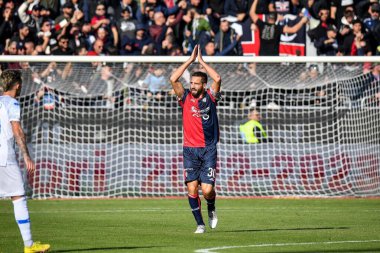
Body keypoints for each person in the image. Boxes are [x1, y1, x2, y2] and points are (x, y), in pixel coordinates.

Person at [169, 45, 221, 234]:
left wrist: (202, 62)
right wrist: (190, 61)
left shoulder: (211, 97)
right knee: (192, 188)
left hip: (208, 149)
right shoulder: (184, 98)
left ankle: (212, 206)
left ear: (204, 86)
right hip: (189, 150)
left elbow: (217, 78)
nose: (193, 86)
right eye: (191, 83)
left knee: (207, 191)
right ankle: (200, 225)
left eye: (197, 83)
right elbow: (173, 79)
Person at [0, 70, 50, 253]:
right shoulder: (12, 103)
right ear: (18, 85)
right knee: (19, 197)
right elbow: (17, 130)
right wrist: (27, 156)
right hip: (4, 157)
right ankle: (29, 245)